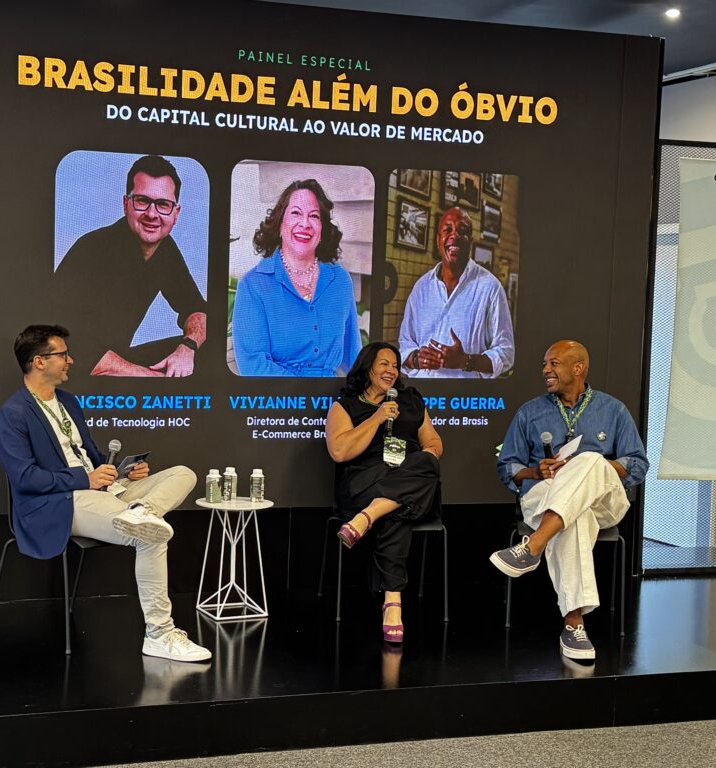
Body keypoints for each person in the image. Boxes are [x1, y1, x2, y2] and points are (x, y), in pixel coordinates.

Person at [0, 324, 210, 662]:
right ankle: (159, 634)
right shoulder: (13, 414)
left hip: (108, 492)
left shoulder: (68, 402)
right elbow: (24, 478)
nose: (71, 360)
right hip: (61, 502)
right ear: (39, 361)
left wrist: (124, 470)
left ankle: (142, 509)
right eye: (62, 355)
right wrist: (85, 480)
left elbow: (93, 458)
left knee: (183, 474)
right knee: (151, 537)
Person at [491, 340, 648, 662]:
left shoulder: (613, 409)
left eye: (554, 363)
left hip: (603, 500)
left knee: (589, 459)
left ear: (578, 368)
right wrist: (536, 470)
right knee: (574, 521)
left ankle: (532, 546)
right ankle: (574, 624)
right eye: (545, 364)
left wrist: (594, 466)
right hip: (544, 493)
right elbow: (508, 466)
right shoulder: (530, 412)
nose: (546, 370)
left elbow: (638, 464)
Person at [325, 342, 443, 643]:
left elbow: (433, 443)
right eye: (384, 364)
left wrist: (421, 461)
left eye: (395, 365)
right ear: (367, 367)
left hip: (410, 478)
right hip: (366, 481)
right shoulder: (345, 406)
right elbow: (339, 452)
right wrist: (377, 418)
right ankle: (393, 603)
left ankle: (370, 516)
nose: (392, 371)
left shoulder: (412, 401)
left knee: (426, 464)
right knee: (399, 507)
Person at [54, 155, 206, 377]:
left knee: (208, 349)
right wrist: (149, 377)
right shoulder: (91, 249)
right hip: (73, 372)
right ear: (126, 204)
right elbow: (66, 347)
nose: (152, 214)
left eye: (163, 204)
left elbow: (196, 308)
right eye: (142, 201)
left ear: (176, 213)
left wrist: (188, 348)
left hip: (119, 360)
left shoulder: (165, 249)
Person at [232, 179, 362, 377]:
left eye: (314, 216)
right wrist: (305, 395)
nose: (305, 224)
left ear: (322, 228)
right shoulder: (253, 286)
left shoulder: (340, 281)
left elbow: (355, 359)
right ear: (280, 223)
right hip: (278, 402)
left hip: (331, 403)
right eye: (296, 213)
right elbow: (253, 365)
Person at [398, 206, 514, 378]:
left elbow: (506, 354)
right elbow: (405, 344)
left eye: (463, 231)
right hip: (422, 397)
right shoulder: (421, 288)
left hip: (466, 399)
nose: (454, 236)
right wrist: (416, 358)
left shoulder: (491, 288)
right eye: (447, 230)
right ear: (438, 240)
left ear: (471, 242)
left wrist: (466, 361)